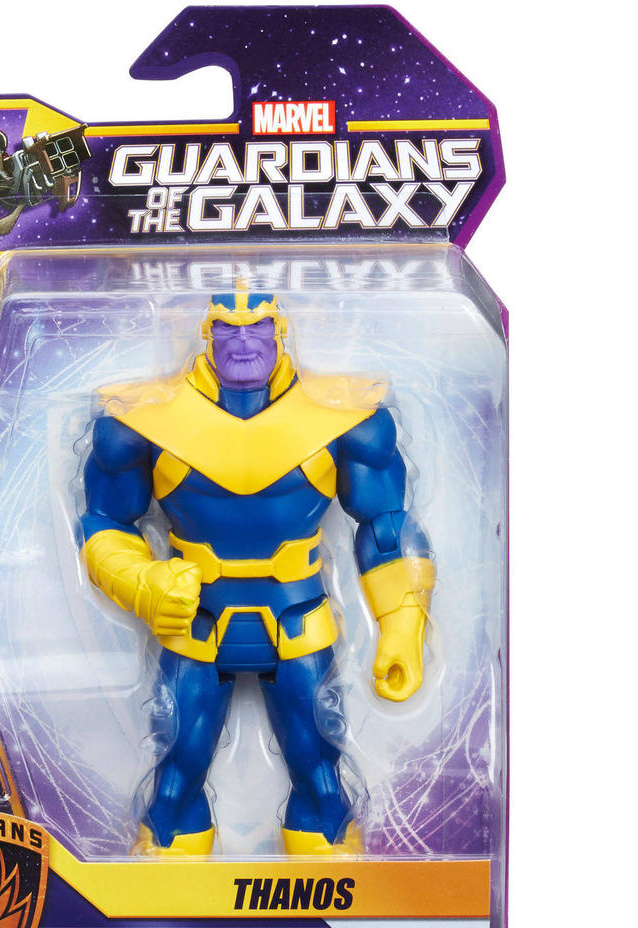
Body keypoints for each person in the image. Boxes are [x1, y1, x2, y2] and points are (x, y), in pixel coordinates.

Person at [80, 283, 435, 856]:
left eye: (257, 328)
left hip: (298, 615)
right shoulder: (141, 421)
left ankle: (333, 874)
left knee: (320, 777)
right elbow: (105, 523)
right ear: (207, 333)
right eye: (228, 329)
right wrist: (139, 583)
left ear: (279, 331)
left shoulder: (344, 417)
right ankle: (166, 882)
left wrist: (403, 626)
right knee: (174, 782)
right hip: (193, 617)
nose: (243, 342)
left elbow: (386, 524)